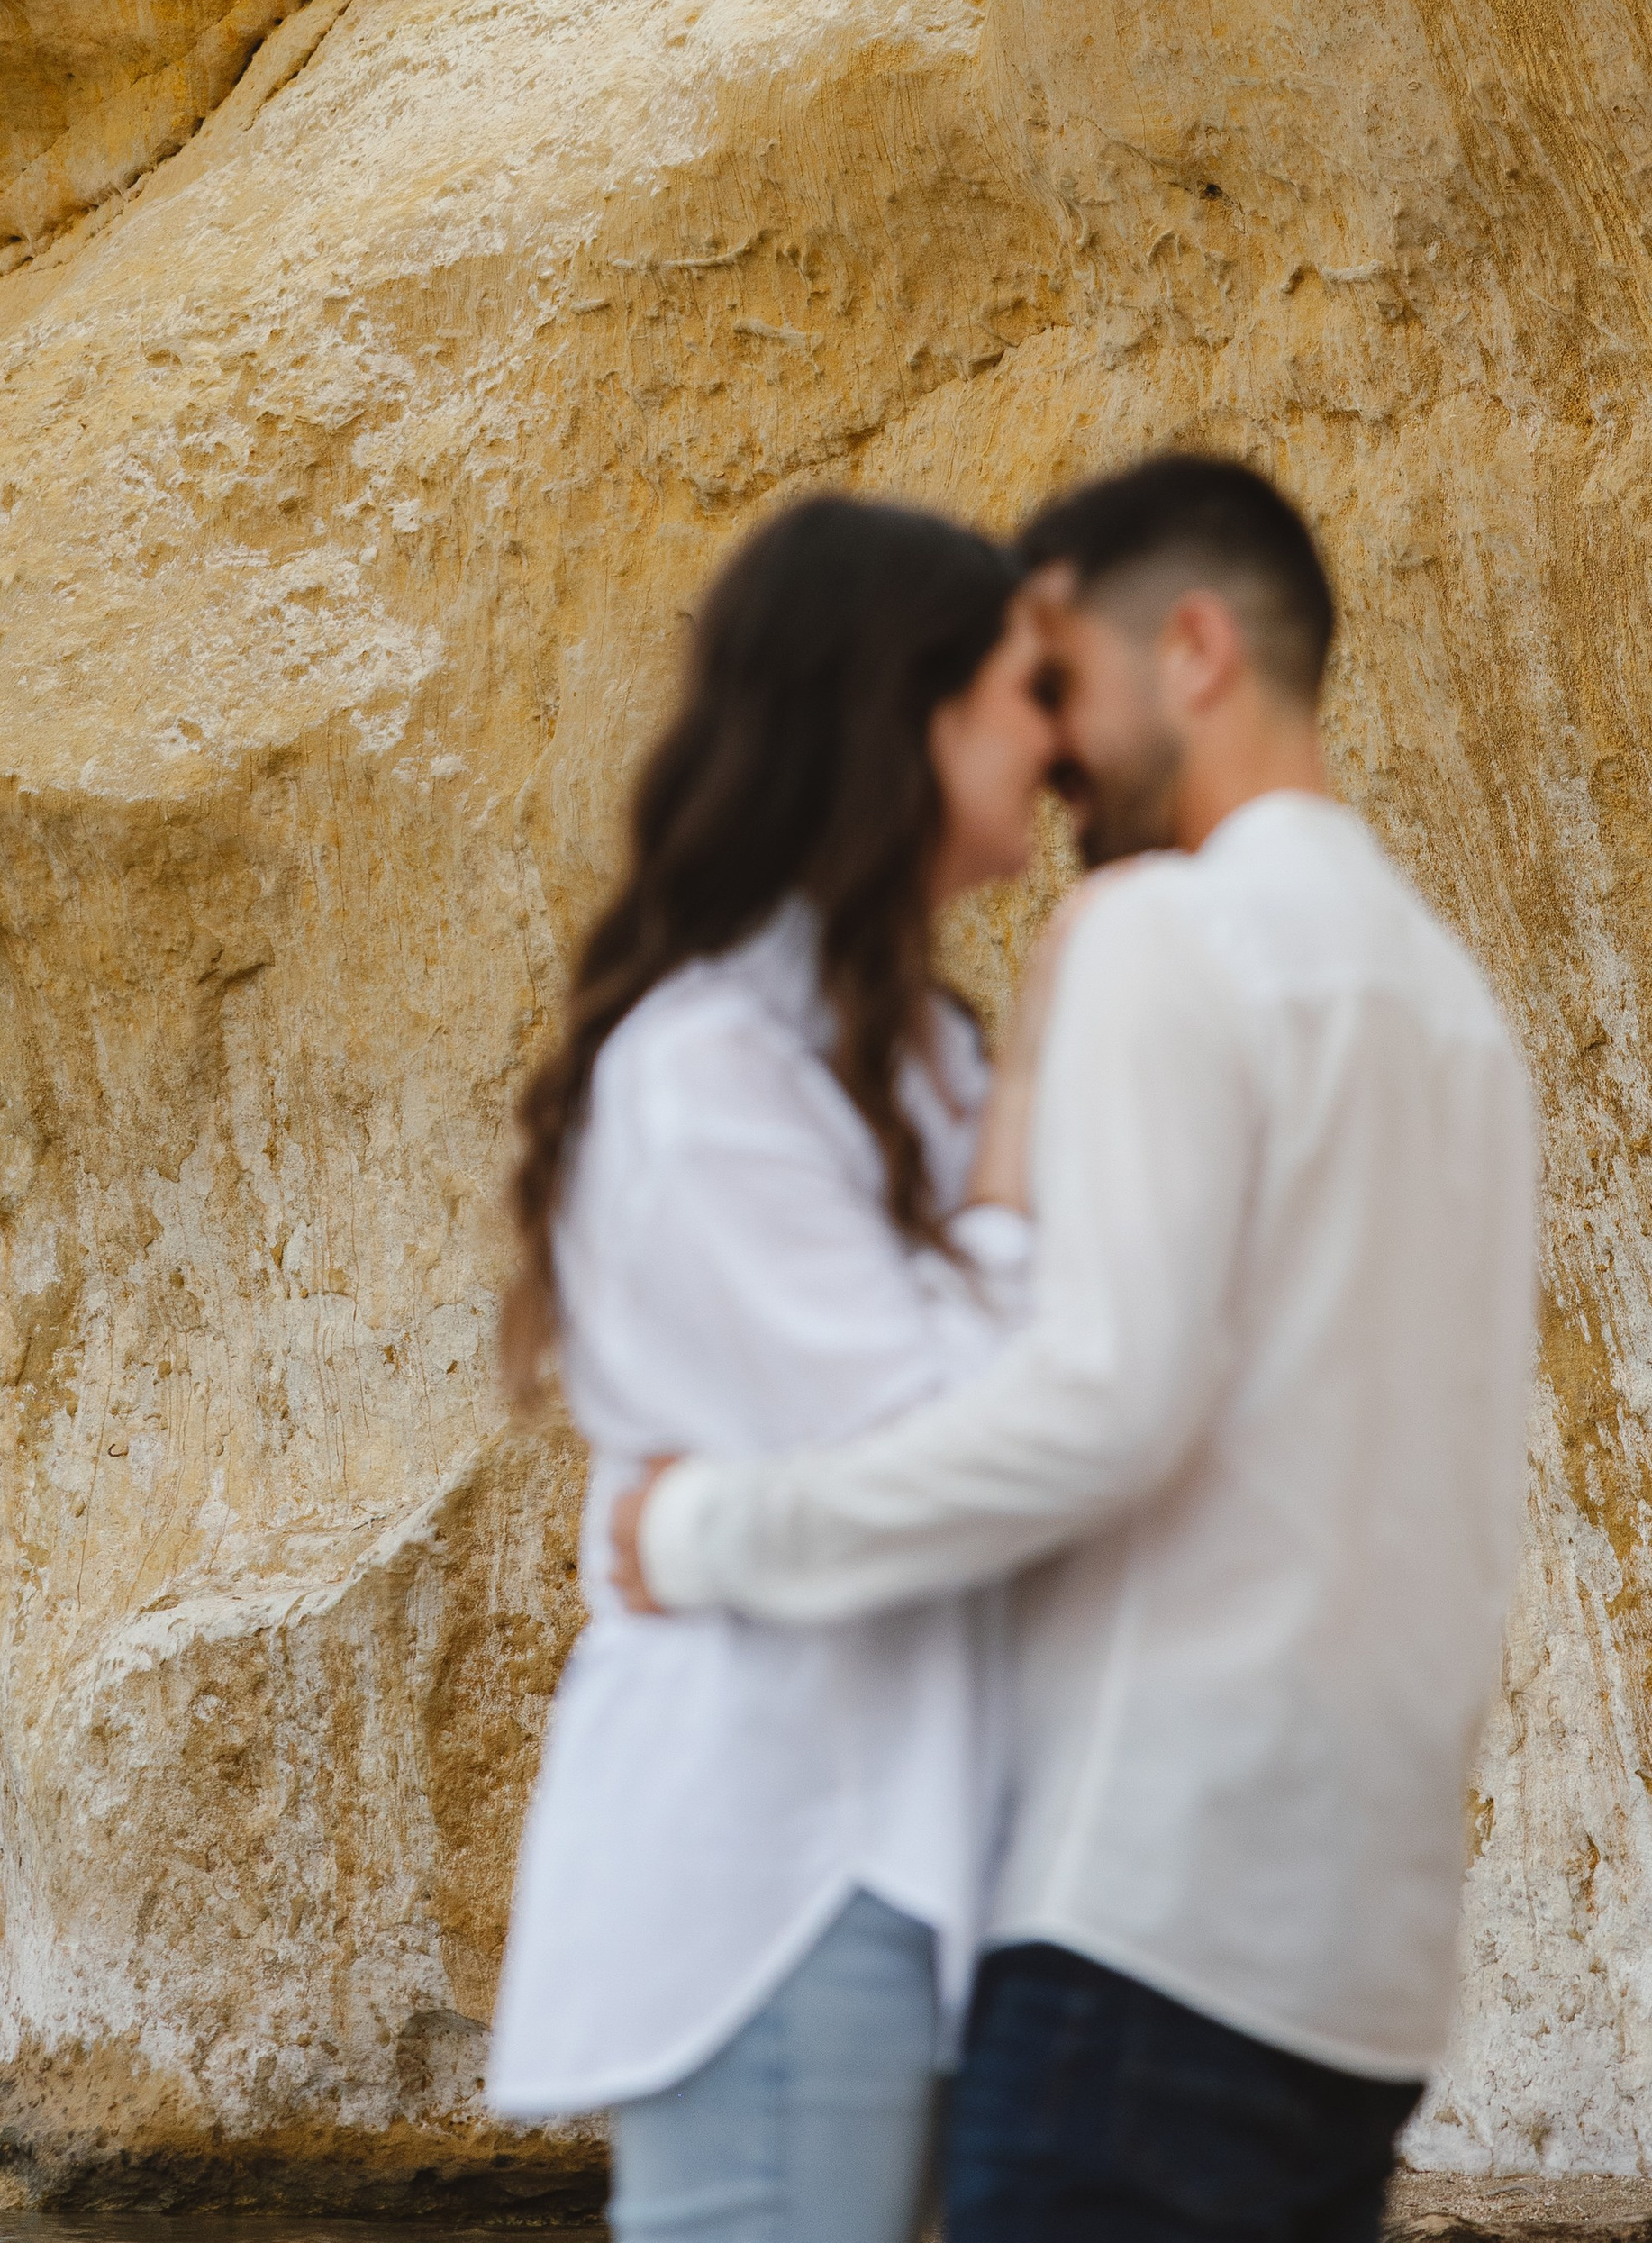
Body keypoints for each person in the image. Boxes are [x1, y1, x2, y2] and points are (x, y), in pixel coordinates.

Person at [619, 453, 1539, 2243]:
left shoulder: (1162, 935)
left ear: (1189, 650)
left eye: (1059, 679)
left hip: (1144, 1922)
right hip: (1364, 1970)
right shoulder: (1456, 1015)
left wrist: (698, 1533)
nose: (1048, 753)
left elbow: (1101, 1405)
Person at [485, 493, 1057, 2243]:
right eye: (1024, 693)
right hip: (784, 1867)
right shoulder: (706, 1073)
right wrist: (1030, 1154)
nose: (1059, 742)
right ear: (909, 712)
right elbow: (960, 1439)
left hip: (932, 1845)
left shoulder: (916, 1050)